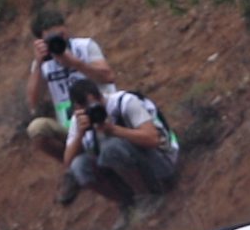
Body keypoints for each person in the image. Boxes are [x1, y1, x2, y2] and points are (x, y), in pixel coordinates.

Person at [55, 75, 180, 215]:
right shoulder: (78, 120)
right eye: (86, 108)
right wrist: (80, 134)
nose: (93, 111)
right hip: (129, 167)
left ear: (100, 96)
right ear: (77, 108)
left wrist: (114, 130)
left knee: (111, 148)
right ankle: (126, 203)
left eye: (94, 105)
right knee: (79, 166)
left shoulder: (125, 102)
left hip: (161, 161)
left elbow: (153, 139)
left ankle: (148, 197)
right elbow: (68, 162)